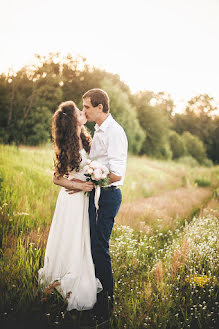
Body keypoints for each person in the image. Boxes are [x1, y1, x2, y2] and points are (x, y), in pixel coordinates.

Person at [67, 89, 128, 323]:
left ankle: (106, 306)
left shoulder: (115, 132)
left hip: (109, 195)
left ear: (100, 107)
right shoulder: (98, 129)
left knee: (100, 248)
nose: (84, 111)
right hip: (95, 194)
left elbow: (116, 174)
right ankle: (93, 296)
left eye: (87, 107)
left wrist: (88, 182)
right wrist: (83, 183)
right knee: (91, 247)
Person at [38, 100, 102, 312]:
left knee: (81, 240)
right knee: (72, 239)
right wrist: (80, 185)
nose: (83, 112)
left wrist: (93, 179)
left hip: (84, 198)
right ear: (72, 120)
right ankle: (64, 280)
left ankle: (68, 278)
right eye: (78, 111)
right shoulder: (67, 143)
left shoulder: (84, 137)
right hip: (72, 200)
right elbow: (57, 178)